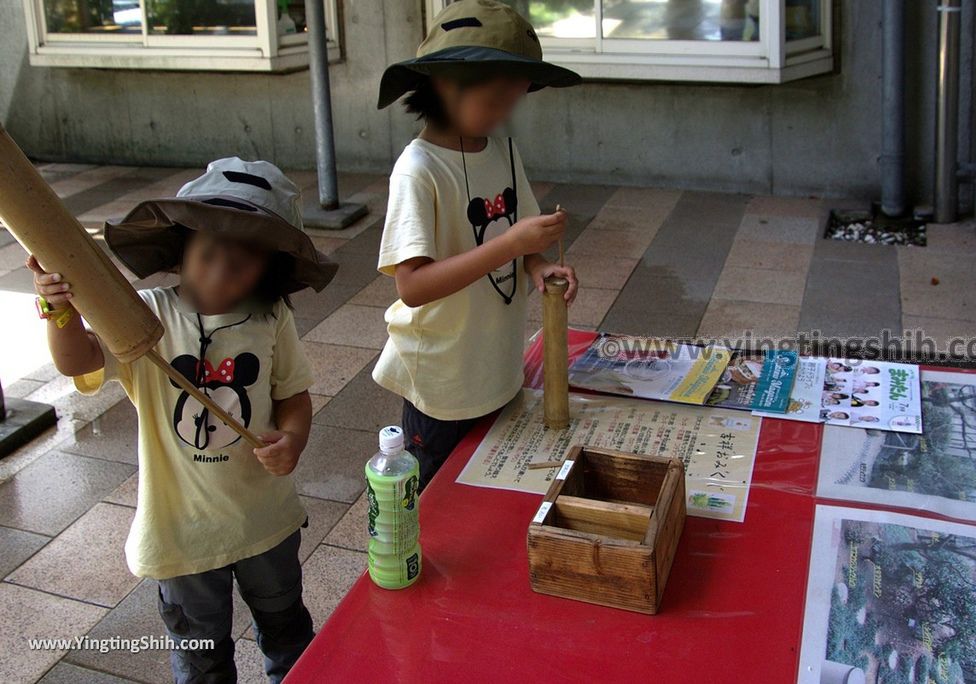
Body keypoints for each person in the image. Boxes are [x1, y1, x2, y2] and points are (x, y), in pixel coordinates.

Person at [30, 158, 338, 683]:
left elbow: (293, 396)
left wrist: (293, 438)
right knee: (201, 655)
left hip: (265, 522)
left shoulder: (271, 317)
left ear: (270, 267)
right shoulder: (142, 316)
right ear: (182, 247)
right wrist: (61, 312)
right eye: (209, 253)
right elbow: (78, 360)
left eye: (243, 261)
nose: (221, 271)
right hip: (182, 535)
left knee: (288, 631)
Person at [373, 0, 582, 488]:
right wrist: (510, 244)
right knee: (437, 496)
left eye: (513, 101)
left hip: (494, 362)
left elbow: (520, 235)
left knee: (486, 485)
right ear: (445, 85)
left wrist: (537, 264)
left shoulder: (503, 149)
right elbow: (413, 286)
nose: (503, 113)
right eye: (493, 101)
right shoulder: (418, 169)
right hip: (443, 379)